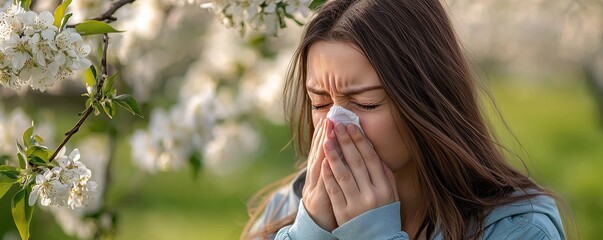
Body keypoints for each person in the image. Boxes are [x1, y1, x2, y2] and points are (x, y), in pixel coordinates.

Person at [241, 0, 568, 239]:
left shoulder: (519, 229)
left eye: (366, 103)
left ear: (427, 100)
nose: (335, 125)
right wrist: (308, 232)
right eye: (320, 102)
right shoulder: (285, 209)